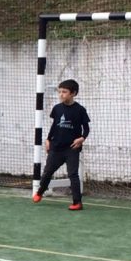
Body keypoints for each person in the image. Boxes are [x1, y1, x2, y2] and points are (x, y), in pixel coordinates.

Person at [33, 79, 90, 211]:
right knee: (47, 172)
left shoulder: (80, 110)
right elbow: (54, 126)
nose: (61, 95)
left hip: (72, 149)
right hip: (56, 148)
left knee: (73, 175)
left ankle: (77, 203)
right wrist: (48, 139)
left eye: (64, 92)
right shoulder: (57, 109)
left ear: (73, 93)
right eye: (59, 92)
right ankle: (40, 192)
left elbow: (86, 129)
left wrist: (82, 138)